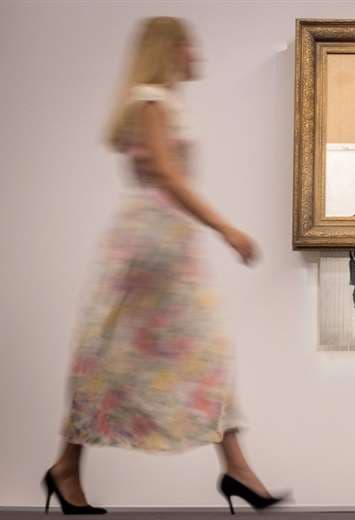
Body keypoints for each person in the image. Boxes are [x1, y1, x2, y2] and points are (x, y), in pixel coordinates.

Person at [42, 17, 285, 515]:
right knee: (135, 355)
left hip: (165, 245)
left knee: (175, 352)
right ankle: (69, 467)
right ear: (169, 49)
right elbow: (168, 177)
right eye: (188, 45)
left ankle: (235, 467)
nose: (197, 54)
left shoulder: (158, 102)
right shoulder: (151, 99)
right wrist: (226, 228)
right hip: (152, 245)